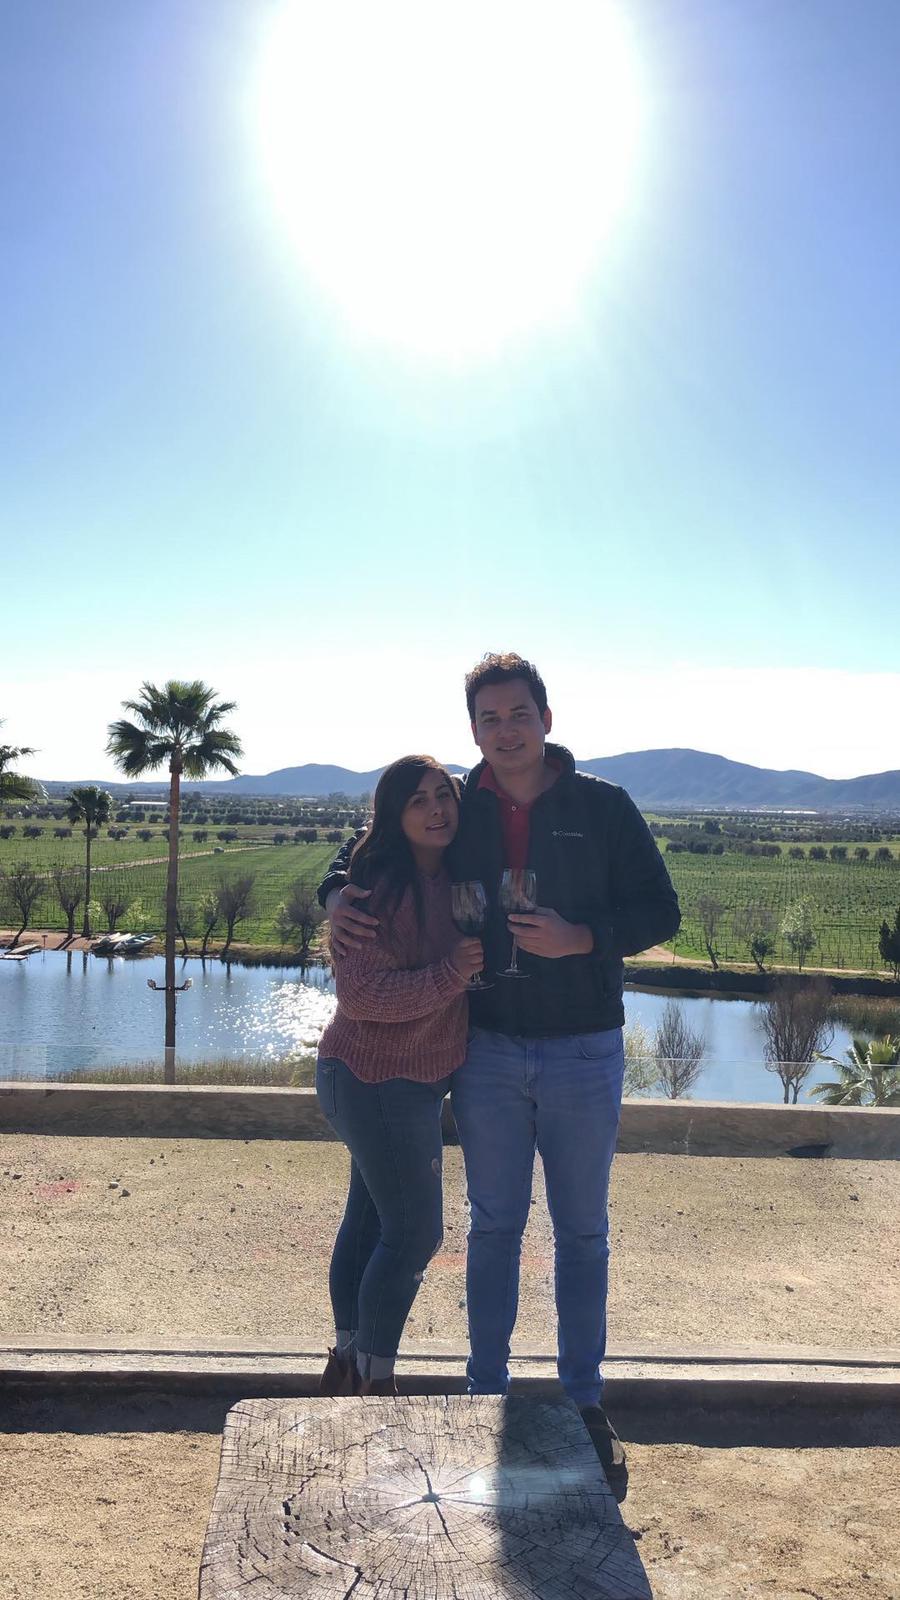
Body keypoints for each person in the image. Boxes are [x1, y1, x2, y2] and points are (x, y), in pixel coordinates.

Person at [320, 654, 680, 1476]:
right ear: (474, 730)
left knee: (582, 1233)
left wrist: (582, 938)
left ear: (546, 719)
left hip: (584, 1047)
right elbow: (364, 848)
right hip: (483, 1052)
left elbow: (661, 911)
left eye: (519, 714)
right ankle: (486, 1393)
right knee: (493, 1230)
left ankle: (583, 1401)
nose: (506, 730)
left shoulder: (603, 806)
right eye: (490, 718)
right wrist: (335, 896)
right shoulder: (460, 805)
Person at [315, 755, 483, 1397]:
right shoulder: (377, 891)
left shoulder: (452, 874)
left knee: (369, 1223)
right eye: (418, 801)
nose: (436, 809)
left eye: (444, 795)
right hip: (372, 1078)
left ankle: (347, 1365)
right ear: (394, 815)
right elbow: (362, 996)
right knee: (414, 1233)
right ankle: (374, 1379)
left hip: (405, 1081)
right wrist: (452, 973)